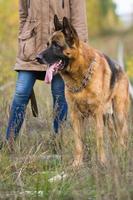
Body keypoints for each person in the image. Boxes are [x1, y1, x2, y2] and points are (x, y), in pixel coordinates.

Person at [6, 0, 88, 142]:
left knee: (59, 96)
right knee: (20, 93)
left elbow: (79, 19)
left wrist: (81, 51)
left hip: (59, 50)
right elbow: (23, 16)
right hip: (31, 48)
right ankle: (9, 142)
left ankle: (58, 143)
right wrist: (22, 42)